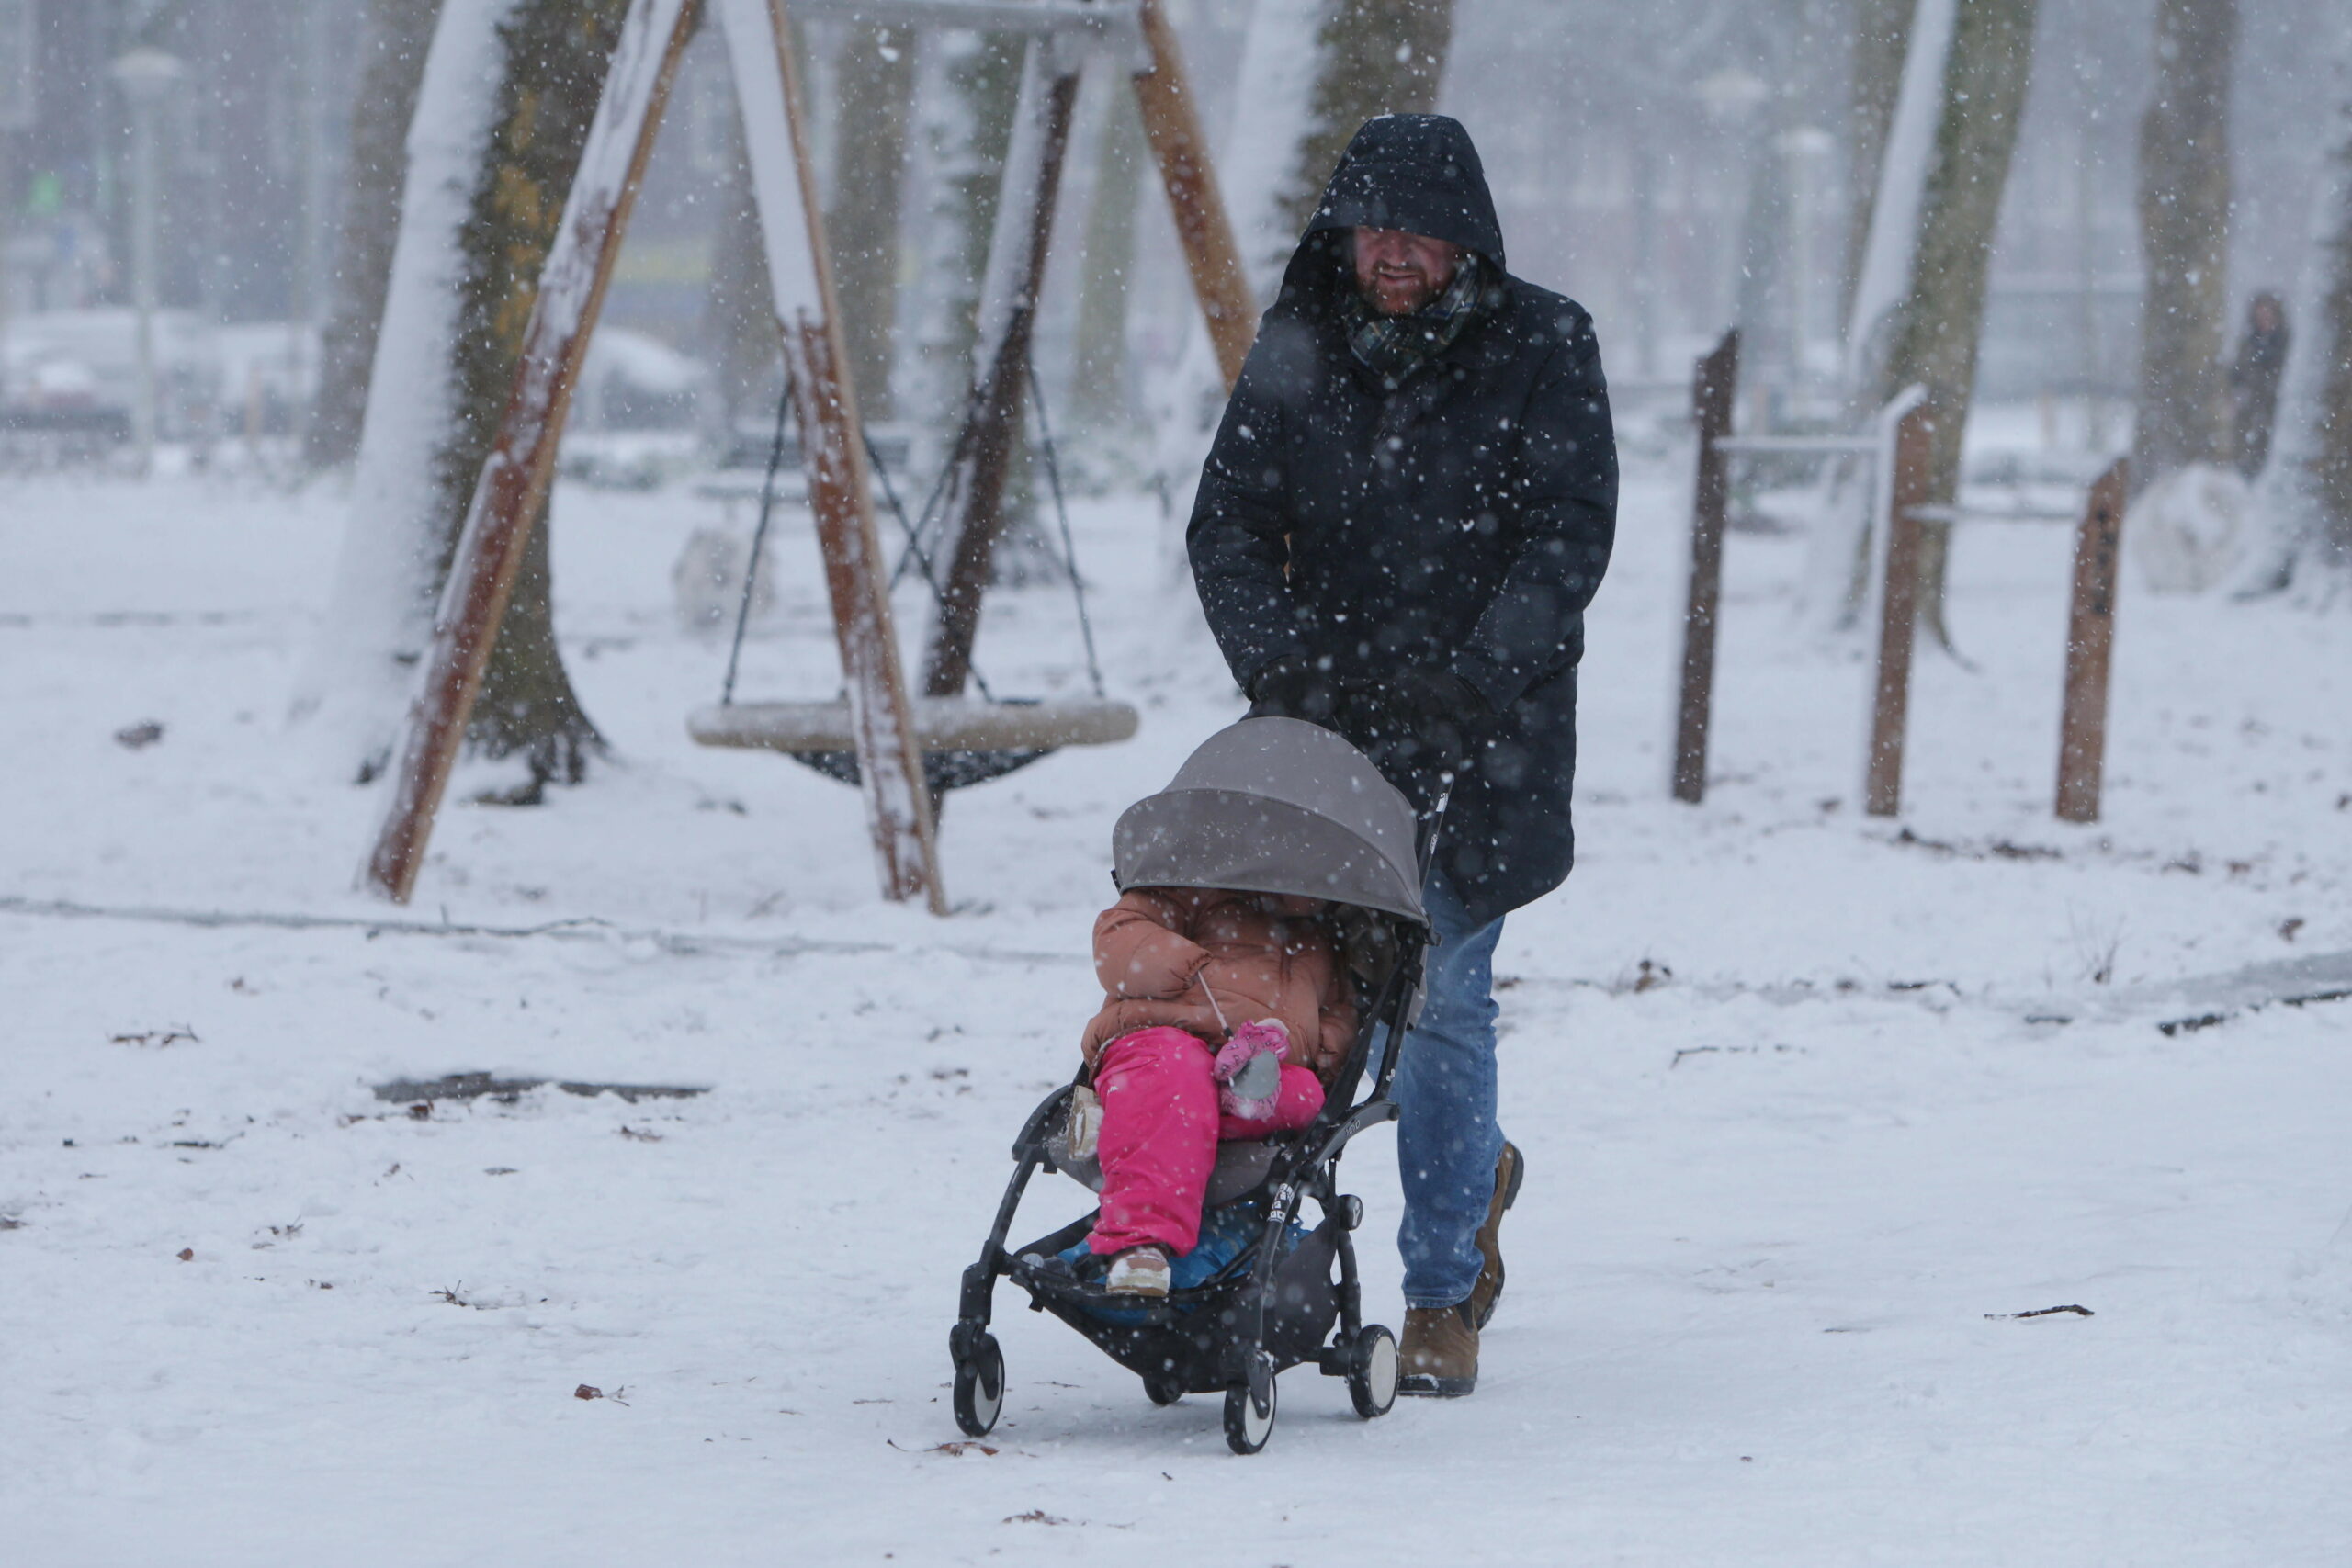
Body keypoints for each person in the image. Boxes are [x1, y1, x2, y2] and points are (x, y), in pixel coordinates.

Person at [1187, 114, 1618, 1395]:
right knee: (1306, 1011)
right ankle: (1245, 1249)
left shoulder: (1545, 343)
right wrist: (1281, 665)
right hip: (1324, 739)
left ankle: (1441, 1288)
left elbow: (1566, 536)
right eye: (1374, 228)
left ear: (1465, 237)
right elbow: (1227, 524)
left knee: (1440, 1006)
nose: (1393, 255)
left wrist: (1470, 680)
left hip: (1488, 741)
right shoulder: (1301, 339)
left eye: (1419, 233)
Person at [1077, 886, 1358, 1296]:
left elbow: (1340, 1016)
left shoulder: (1323, 940)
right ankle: (1141, 1242)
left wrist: (1321, 1050)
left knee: (1306, 1095)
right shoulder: (1193, 888)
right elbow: (1118, 935)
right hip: (1165, 1033)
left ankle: (1131, 1111)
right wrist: (1178, 962)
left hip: (1257, 1061)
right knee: (1178, 1071)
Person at [2229, 290, 2290, 482]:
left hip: (2275, 406)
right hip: (2249, 407)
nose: (2264, 319)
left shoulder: (2284, 342)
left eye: (2268, 314)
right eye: (2260, 314)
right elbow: (2237, 371)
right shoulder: (2249, 341)